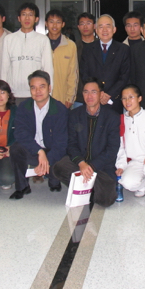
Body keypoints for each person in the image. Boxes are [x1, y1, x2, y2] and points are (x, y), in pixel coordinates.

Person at [53, 78, 120, 207]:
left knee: (107, 200)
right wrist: (81, 163)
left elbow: (112, 149)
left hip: (101, 167)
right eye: (86, 92)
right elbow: (71, 144)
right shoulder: (74, 115)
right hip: (80, 164)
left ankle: (84, 188)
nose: (89, 96)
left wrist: (92, 166)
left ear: (101, 94)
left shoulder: (112, 117)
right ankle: (87, 187)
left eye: (94, 92)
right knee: (59, 167)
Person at [9, 70, 69, 199]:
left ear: (49, 88)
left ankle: (53, 180)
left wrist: (46, 160)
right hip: (34, 149)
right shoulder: (24, 107)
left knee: (55, 180)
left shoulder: (60, 109)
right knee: (16, 148)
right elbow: (20, 133)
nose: (38, 91)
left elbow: (61, 142)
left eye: (42, 86)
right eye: (33, 88)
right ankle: (22, 187)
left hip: (53, 152)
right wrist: (39, 151)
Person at [1, 2, 54, 104]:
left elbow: (48, 69)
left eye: (30, 15)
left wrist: (48, 94)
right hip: (13, 94)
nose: (27, 18)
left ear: (36, 19)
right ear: (19, 18)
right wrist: (4, 93)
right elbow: (4, 69)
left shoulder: (43, 40)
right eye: (24, 14)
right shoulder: (9, 39)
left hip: (36, 95)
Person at [80, 14, 130, 114]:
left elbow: (125, 76)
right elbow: (84, 74)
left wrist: (109, 94)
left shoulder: (124, 49)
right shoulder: (87, 49)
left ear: (114, 29)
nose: (105, 30)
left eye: (108, 26)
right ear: (96, 30)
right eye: (101, 27)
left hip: (114, 101)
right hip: (92, 100)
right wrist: (97, 93)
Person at [46, 9, 78, 109]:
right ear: (46, 23)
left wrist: (70, 98)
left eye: (58, 22)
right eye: (51, 22)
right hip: (42, 98)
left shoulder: (70, 45)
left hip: (63, 98)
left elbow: (73, 74)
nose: (54, 26)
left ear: (63, 24)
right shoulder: (40, 43)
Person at [74, 12, 97, 107]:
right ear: (78, 27)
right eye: (82, 24)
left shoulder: (101, 46)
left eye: (88, 23)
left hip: (97, 95)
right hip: (78, 96)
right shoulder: (73, 47)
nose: (85, 26)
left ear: (94, 26)